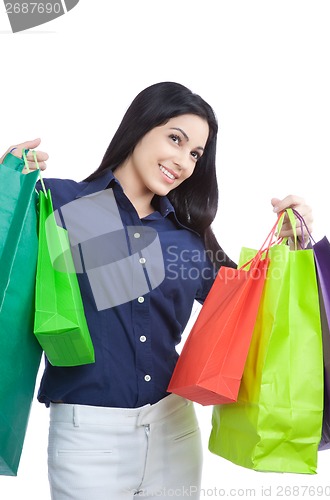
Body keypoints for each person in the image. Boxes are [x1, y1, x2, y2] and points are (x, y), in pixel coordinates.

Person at [0, 82, 313, 499]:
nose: (183, 161)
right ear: (140, 127)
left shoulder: (187, 238)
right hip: (88, 437)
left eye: (195, 154)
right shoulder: (60, 203)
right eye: (175, 139)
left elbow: (250, 310)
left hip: (174, 430)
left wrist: (295, 248)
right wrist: (5, 191)